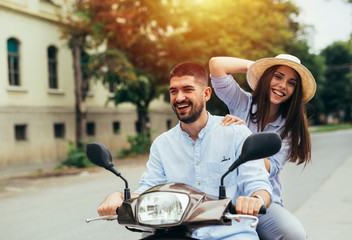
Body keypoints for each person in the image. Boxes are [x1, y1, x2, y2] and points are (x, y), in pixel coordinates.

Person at [97, 62, 273, 239]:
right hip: (177, 233)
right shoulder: (162, 144)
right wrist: (118, 196)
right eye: (174, 91)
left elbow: (258, 183)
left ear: (206, 94)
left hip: (231, 234)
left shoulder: (236, 133)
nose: (179, 97)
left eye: (187, 89)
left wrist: (255, 200)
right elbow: (148, 190)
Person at [209, 54, 316, 240]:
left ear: (295, 91)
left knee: (295, 234)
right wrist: (258, 67)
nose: (283, 86)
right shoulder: (242, 101)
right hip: (225, 194)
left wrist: (244, 136)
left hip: (262, 199)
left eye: (291, 83)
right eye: (277, 76)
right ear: (266, 78)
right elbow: (216, 64)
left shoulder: (291, 127)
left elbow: (271, 166)